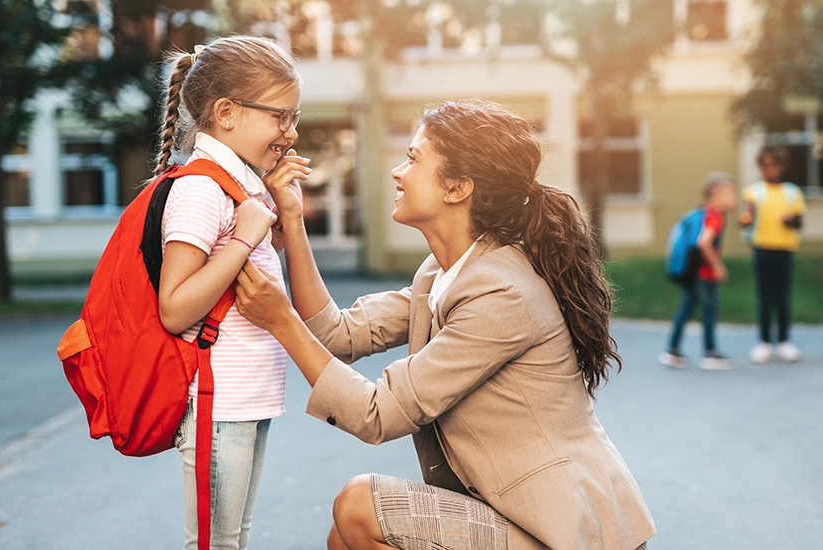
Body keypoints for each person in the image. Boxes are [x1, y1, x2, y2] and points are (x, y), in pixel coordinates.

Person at [235, 100, 655, 550]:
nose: (398, 172)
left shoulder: (499, 292)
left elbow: (376, 413)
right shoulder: (442, 274)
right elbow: (338, 334)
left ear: (456, 188)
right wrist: (294, 220)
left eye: (413, 159)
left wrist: (281, 320)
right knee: (344, 536)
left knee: (359, 505)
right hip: (511, 514)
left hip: (565, 533)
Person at [153, 36, 312, 549]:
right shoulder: (202, 188)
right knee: (215, 544)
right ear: (226, 113)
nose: (289, 133)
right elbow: (175, 307)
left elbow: (250, 273)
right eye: (280, 117)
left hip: (246, 398)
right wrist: (245, 233)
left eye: (294, 118)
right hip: (218, 403)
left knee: (232, 539)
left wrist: (280, 210)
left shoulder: (239, 183)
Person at [659, 173, 737, 371]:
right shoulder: (714, 216)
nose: (734, 198)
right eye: (731, 193)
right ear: (716, 195)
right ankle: (710, 354)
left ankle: (672, 351)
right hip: (703, 274)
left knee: (686, 309)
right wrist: (717, 266)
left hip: (690, 272)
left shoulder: (703, 213)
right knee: (709, 310)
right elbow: (703, 242)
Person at [739, 146, 805, 364]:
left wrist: (790, 221)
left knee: (783, 296)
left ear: (781, 167)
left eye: (774, 165)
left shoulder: (792, 192)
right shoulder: (753, 192)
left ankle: (785, 342)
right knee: (765, 297)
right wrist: (745, 219)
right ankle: (764, 342)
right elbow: (745, 218)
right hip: (762, 247)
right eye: (765, 165)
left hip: (785, 248)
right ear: (760, 167)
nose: (770, 169)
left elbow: (799, 223)